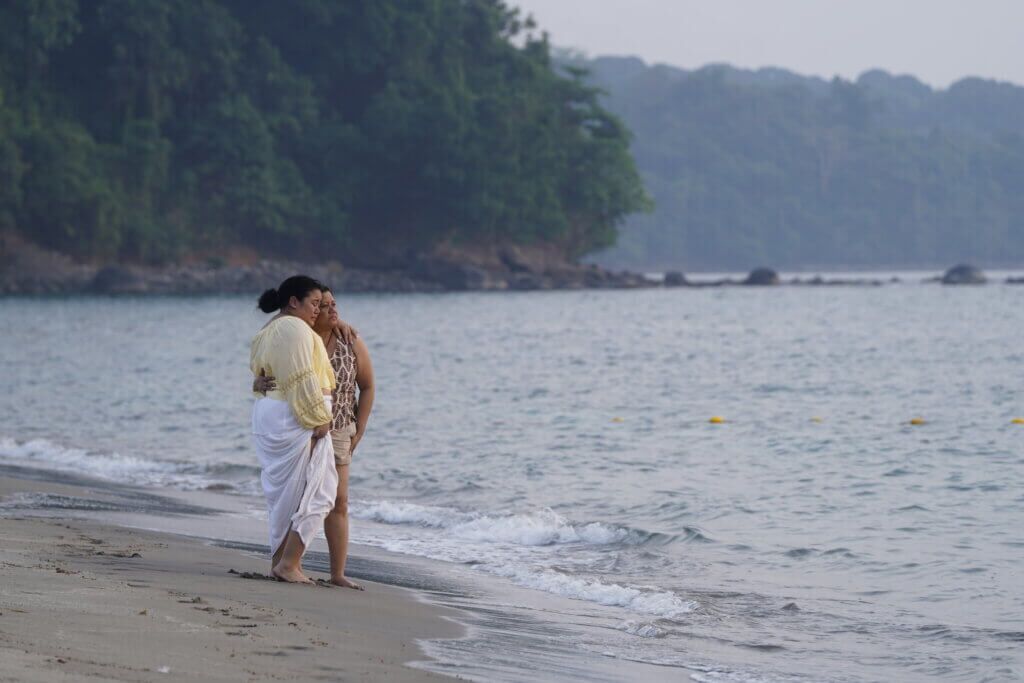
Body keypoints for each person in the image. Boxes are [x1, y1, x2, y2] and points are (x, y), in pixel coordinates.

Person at [255, 286, 375, 589]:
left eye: (334, 304)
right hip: (302, 422)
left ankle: (336, 573)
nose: (332, 310)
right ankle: (287, 563)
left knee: (338, 500)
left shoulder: (349, 340)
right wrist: (258, 381)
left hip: (338, 427)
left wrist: (359, 428)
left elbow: (368, 386)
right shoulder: (296, 335)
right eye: (323, 305)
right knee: (297, 494)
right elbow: (270, 370)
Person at [250, 275, 336, 584]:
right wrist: (318, 418)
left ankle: (282, 561)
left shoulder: (268, 330)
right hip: (296, 415)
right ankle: (288, 564)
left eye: (322, 305)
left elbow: (261, 375)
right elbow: (301, 376)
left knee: (289, 494)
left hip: (276, 412)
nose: (318, 310)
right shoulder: (293, 329)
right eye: (314, 303)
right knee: (320, 492)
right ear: (293, 302)